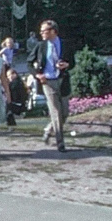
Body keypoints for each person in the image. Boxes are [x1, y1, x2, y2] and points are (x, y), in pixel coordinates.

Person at [27, 20, 76, 152]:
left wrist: (67, 65)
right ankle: (60, 143)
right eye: (41, 31)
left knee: (64, 112)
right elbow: (29, 63)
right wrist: (38, 75)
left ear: (53, 31)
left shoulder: (64, 44)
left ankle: (49, 129)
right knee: (56, 111)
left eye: (44, 31)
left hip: (62, 80)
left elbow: (72, 62)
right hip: (47, 82)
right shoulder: (40, 46)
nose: (41, 33)